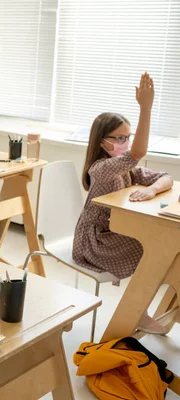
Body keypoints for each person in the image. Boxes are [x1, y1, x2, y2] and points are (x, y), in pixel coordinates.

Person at [73, 73, 172, 334]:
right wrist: (146, 108)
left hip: (116, 231)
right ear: (101, 140)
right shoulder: (103, 168)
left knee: (163, 246)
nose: (124, 144)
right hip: (94, 240)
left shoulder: (127, 171)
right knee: (157, 250)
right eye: (119, 138)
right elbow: (137, 154)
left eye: (127, 137)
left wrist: (151, 190)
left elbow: (166, 177)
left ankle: (142, 309)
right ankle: (137, 312)